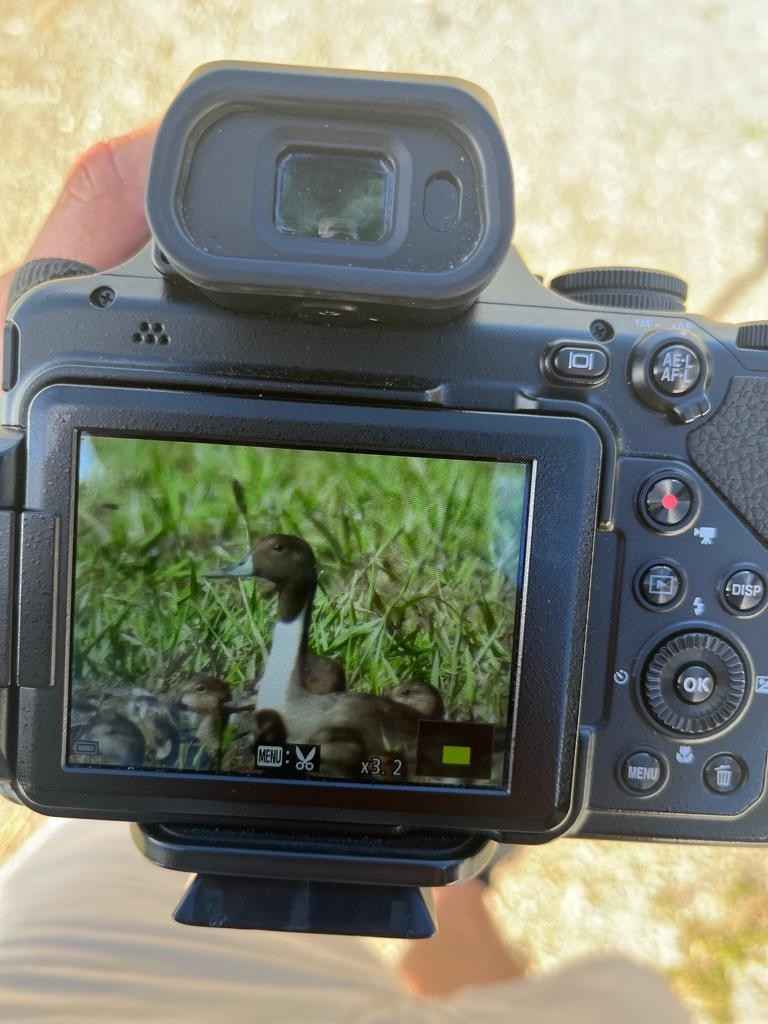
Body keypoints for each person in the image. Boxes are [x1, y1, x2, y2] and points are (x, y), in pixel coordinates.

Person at [0, 129, 688, 1023]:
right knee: (630, 997)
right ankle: (454, 879)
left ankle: (442, 862)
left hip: (60, 949)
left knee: (106, 830)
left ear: (297, 574)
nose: (245, 568)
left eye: (264, 559)